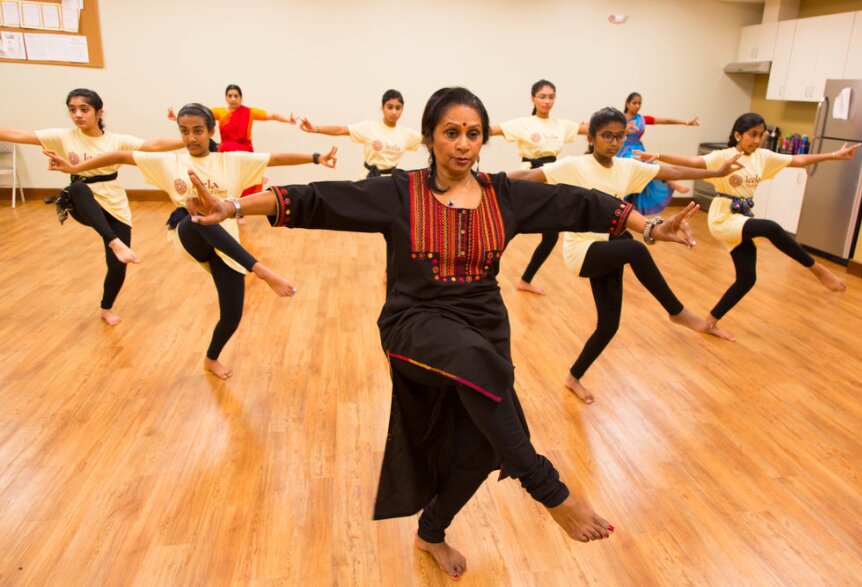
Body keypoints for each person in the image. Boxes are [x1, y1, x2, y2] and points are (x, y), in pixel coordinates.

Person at [186, 87, 703, 580]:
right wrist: (232, 208)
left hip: (484, 324)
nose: (463, 143)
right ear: (430, 136)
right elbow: (318, 198)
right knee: (479, 369)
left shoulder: (504, 196)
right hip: (414, 321)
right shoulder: (399, 193)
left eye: (473, 133)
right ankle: (549, 489)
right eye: (451, 132)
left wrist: (649, 228)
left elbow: (582, 202)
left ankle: (431, 531)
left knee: (482, 443)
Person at [46, 103, 336, 379]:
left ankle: (211, 358)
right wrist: (73, 170)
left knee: (232, 314)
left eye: (198, 130)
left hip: (227, 243)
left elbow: (276, 158)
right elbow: (121, 156)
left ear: (211, 131)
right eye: (184, 131)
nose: (191, 137)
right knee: (196, 212)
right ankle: (262, 271)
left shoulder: (231, 160)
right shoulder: (169, 162)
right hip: (188, 233)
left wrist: (316, 158)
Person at [510, 107, 741, 402]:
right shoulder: (574, 166)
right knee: (634, 246)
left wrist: (716, 172)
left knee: (609, 325)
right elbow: (529, 175)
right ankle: (678, 313)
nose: (614, 142)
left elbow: (672, 171)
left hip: (610, 246)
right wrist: (486, 180)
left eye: (620, 136)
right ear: (592, 137)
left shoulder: (626, 167)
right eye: (607, 136)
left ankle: (573, 377)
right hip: (582, 250)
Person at [635, 112, 852, 339]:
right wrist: (658, 155)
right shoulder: (725, 156)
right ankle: (819, 271)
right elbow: (693, 161)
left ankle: (709, 322)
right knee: (772, 228)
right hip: (723, 216)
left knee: (747, 278)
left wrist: (834, 156)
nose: (757, 140)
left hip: (743, 216)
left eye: (761, 135)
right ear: (738, 135)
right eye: (752, 135)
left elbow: (798, 160)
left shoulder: (763, 156)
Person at [0, 88, 183, 326]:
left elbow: (153, 146)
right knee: (77, 188)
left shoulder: (116, 141)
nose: (77, 115)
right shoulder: (63, 136)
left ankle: (106, 308)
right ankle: (114, 241)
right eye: (72, 110)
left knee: (118, 266)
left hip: (113, 202)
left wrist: (190, 138)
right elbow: (15, 133)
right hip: (82, 203)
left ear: (99, 112)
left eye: (84, 109)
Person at [488, 79, 588, 295]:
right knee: (509, 226)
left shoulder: (561, 125)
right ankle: (484, 274)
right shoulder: (523, 123)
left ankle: (525, 280)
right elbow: (490, 130)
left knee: (551, 236)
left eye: (551, 96)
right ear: (533, 98)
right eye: (542, 96)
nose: (547, 101)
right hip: (529, 179)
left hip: (551, 178)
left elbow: (589, 129)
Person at [167, 84, 298, 196]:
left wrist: (288, 120)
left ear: (241, 98)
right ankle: (231, 208)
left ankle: (243, 207)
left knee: (248, 179)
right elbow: (197, 115)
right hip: (225, 152)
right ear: (226, 98)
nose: (233, 99)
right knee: (227, 181)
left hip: (245, 151)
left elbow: (272, 115)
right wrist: (177, 116)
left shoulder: (250, 112)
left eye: (236, 96)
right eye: (230, 96)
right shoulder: (220, 112)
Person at [298, 89, 422, 179]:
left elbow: (430, 139)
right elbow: (341, 130)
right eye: (390, 107)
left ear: (402, 109)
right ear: (382, 108)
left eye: (398, 108)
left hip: (390, 184)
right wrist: (315, 128)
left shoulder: (406, 134)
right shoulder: (370, 128)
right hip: (366, 180)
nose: (394, 112)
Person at [617, 91, 700, 215]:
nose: (637, 106)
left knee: (648, 166)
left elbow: (665, 120)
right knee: (641, 165)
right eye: (634, 103)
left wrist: (685, 122)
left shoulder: (642, 119)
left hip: (638, 149)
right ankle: (671, 182)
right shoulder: (619, 119)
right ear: (627, 104)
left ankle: (669, 182)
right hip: (622, 150)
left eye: (639, 103)